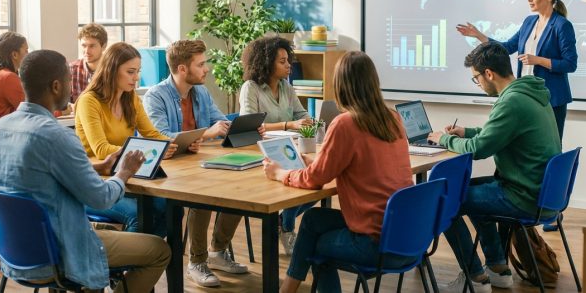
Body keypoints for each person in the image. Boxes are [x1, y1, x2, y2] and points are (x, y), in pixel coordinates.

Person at [0, 49, 170, 292]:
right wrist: (123, 172)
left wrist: (96, 166)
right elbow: (102, 199)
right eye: (70, 81)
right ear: (56, 86)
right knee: (159, 250)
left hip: (15, 252)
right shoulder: (57, 136)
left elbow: (34, 178)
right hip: (62, 250)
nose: (73, 88)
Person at [263, 51, 416, 293]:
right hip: (407, 237)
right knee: (313, 220)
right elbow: (356, 162)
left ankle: (287, 290)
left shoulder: (346, 123)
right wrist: (318, 161)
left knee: (314, 245)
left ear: (342, 86)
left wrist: (280, 173)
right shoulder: (393, 118)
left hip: (375, 244)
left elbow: (315, 180)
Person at [426, 43, 561, 293]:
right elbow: (497, 133)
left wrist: (443, 139)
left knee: (443, 199)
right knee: (467, 190)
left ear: (488, 74)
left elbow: (479, 149)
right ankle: (498, 269)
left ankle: (475, 278)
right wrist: (465, 132)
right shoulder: (529, 93)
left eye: (476, 78)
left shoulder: (512, 102)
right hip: (542, 193)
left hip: (523, 196)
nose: (477, 83)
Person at [143, 39, 250, 288]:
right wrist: (204, 135)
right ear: (182, 69)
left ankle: (218, 252)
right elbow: (159, 137)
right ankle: (196, 263)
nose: (207, 69)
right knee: (203, 195)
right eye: (201, 64)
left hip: (196, 163)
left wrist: (241, 128)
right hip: (169, 170)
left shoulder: (200, 91)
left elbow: (220, 122)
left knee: (238, 184)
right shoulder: (155, 96)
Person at [456, 0, 577, 139]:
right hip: (525, 95)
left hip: (551, 98)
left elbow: (570, 64)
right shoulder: (529, 22)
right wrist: (479, 35)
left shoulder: (562, 25)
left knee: (550, 145)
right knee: (526, 142)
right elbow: (507, 47)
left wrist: (538, 60)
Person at [75, 42, 176, 236]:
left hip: (127, 177)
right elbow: (101, 150)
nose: (136, 78)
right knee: (138, 215)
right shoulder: (89, 101)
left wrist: (170, 144)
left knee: (170, 208)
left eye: (138, 71)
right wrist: (145, 150)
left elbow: (152, 134)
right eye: (130, 72)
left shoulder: (131, 99)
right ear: (112, 70)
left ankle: (146, 263)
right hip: (95, 184)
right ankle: (129, 260)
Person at [239, 36, 314, 255]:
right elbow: (249, 125)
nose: (289, 65)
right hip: (261, 153)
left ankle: (284, 220)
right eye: (282, 61)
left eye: (287, 59)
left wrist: (310, 122)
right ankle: (287, 226)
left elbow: (302, 115)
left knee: (318, 186)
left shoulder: (286, 88)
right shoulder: (250, 87)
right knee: (301, 183)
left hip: (288, 149)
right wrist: (288, 124)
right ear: (266, 62)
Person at [70, 23, 108, 104]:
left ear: (104, 46)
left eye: (92, 46)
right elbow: (64, 104)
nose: (86, 51)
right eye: (84, 46)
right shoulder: (72, 70)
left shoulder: (113, 70)